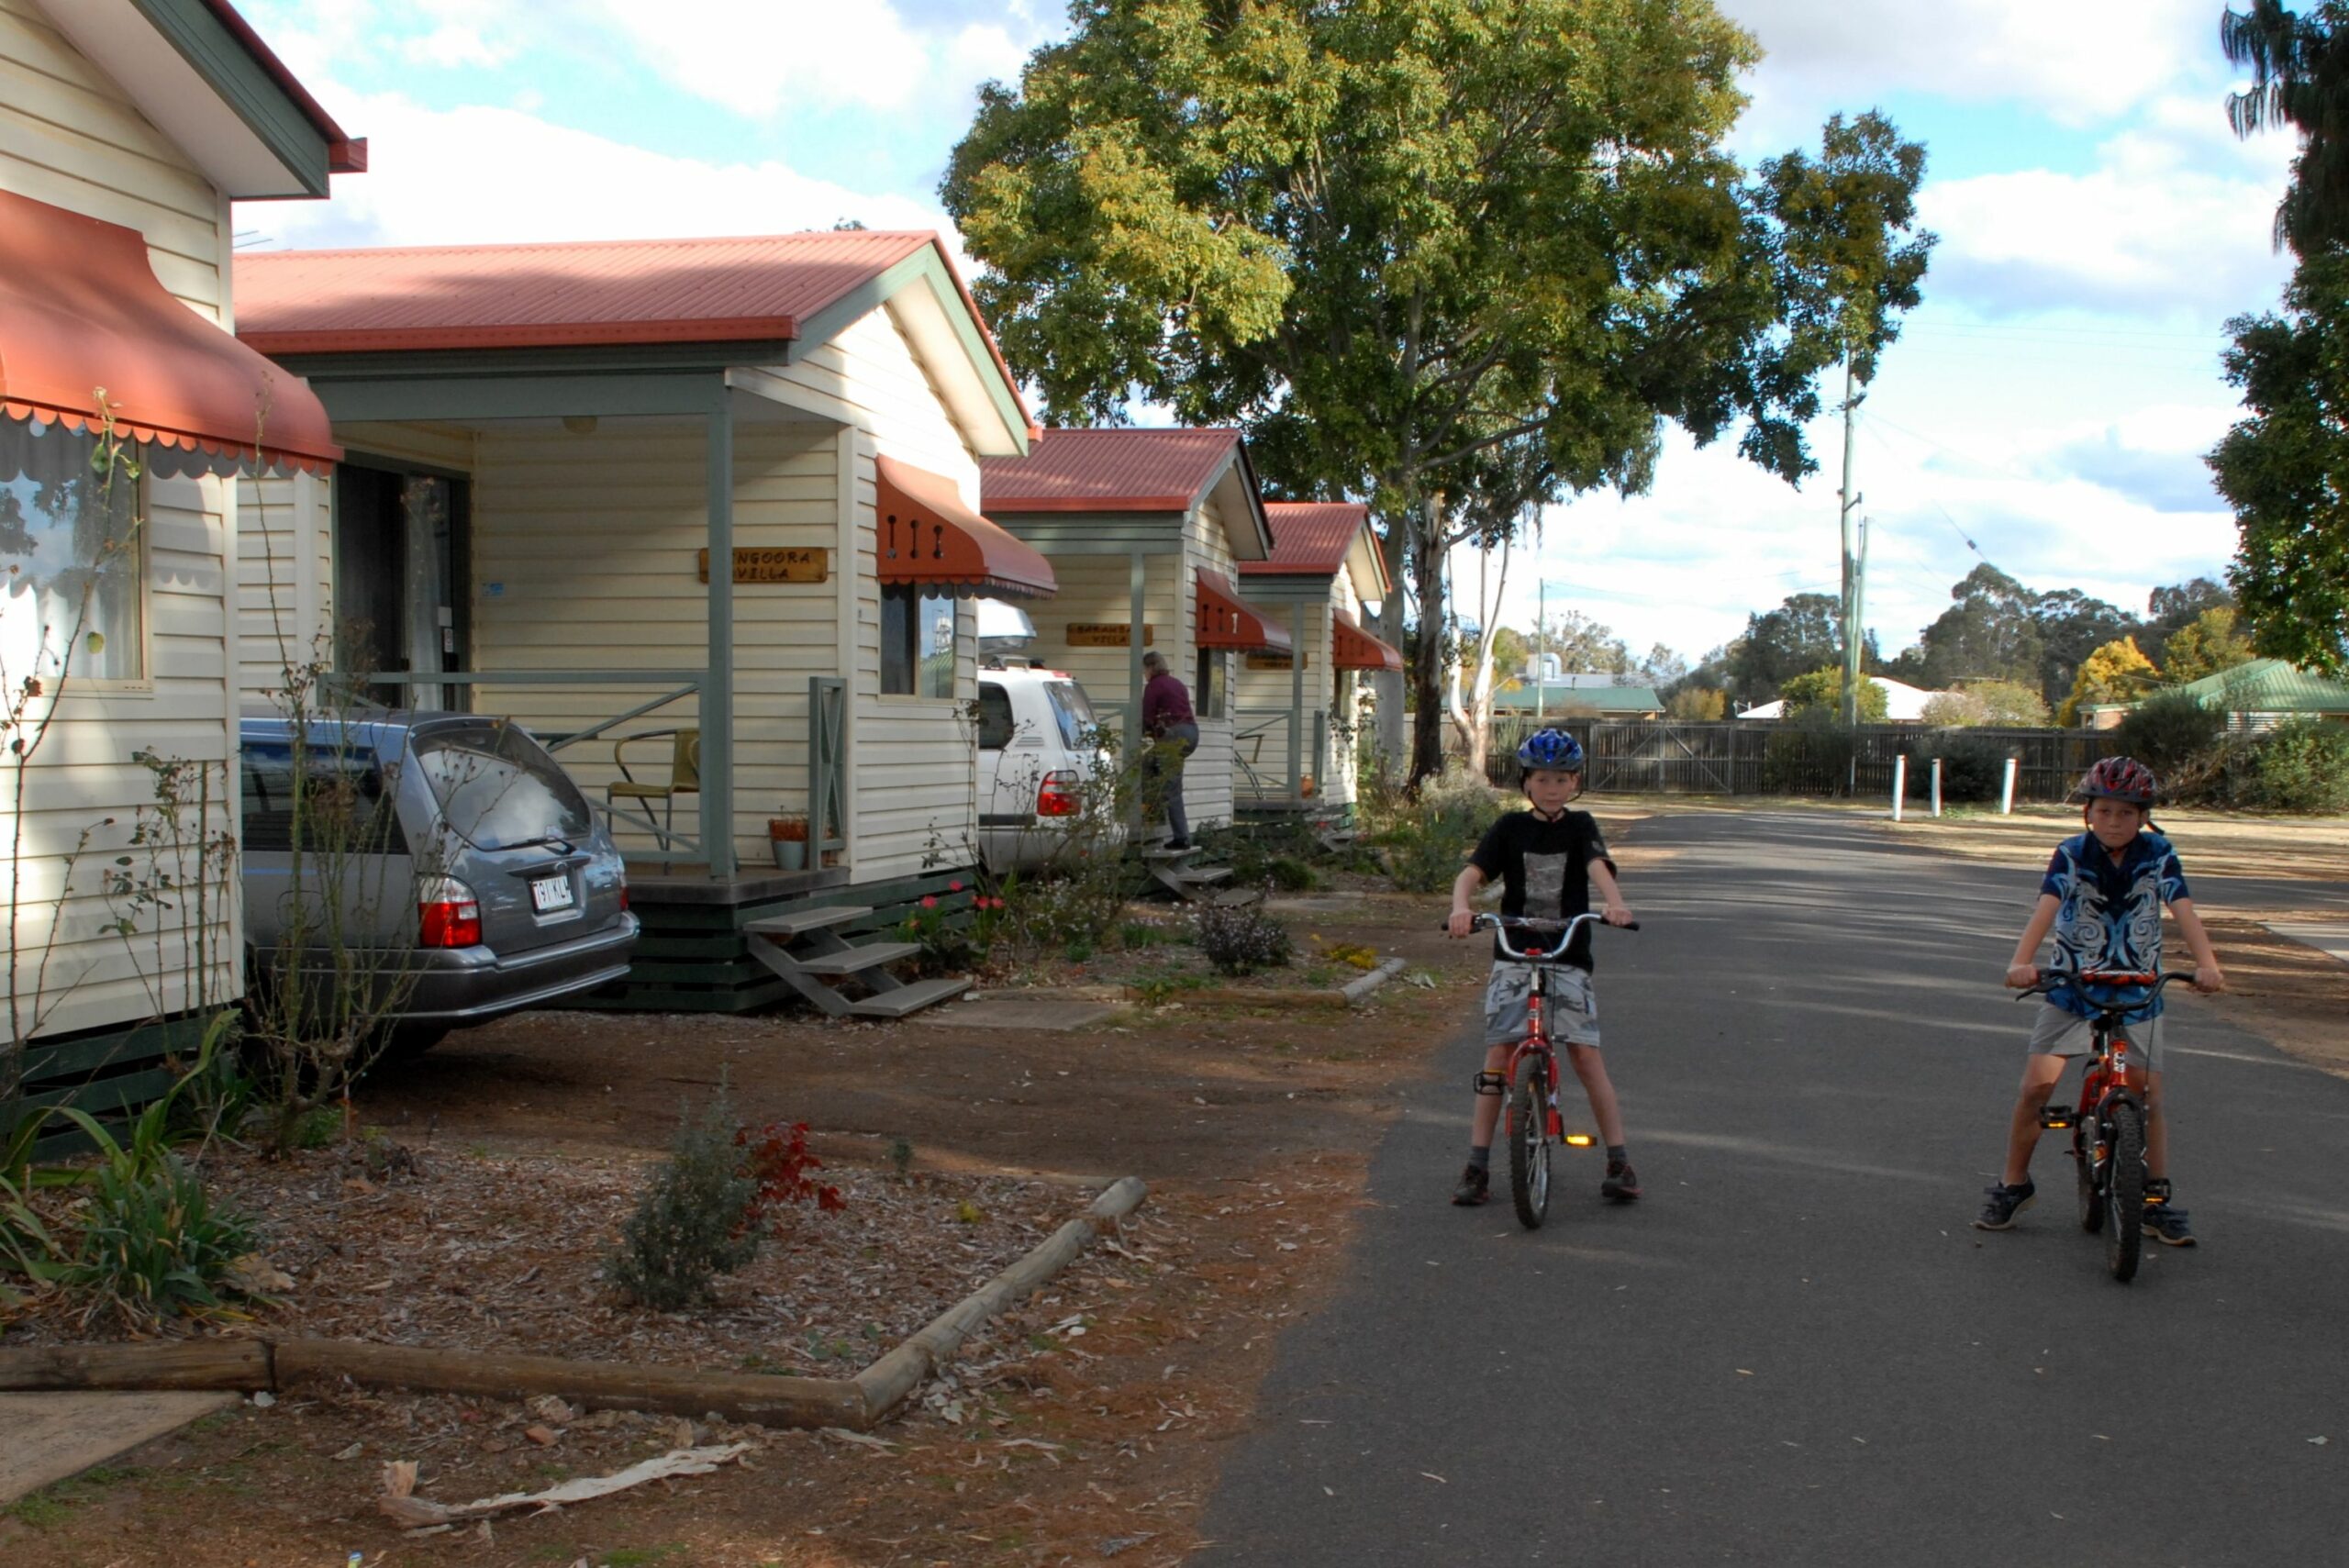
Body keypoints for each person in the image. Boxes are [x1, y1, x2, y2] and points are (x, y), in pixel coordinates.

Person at [1973, 755, 2224, 1244]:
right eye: (2105, 811)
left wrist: (2208, 964)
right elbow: (2046, 907)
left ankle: (2154, 1200)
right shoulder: (2071, 853)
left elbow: (2183, 907)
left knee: (2149, 1096)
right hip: (2073, 982)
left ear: (2143, 816)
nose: (2114, 822)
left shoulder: (2159, 853)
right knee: (2036, 1090)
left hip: (2137, 985)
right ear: (2088, 812)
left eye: (2127, 813)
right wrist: (2021, 961)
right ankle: (2013, 1183)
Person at [1444, 728, 1636, 1207]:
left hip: (1567, 954)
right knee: (1498, 1056)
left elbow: (1598, 867)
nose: (1552, 788)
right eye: (1542, 779)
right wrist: (1460, 907)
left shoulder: (1582, 825)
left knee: (1586, 1056)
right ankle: (1477, 1165)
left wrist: (1615, 905)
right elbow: (1473, 872)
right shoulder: (1509, 827)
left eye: (1562, 779)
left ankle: (1619, 1161)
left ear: (1575, 783)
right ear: (1526, 782)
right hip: (1514, 951)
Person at [1140, 650, 1199, 849]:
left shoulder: (1154, 686)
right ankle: (1156, 808)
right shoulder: (1176, 683)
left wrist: (1142, 732)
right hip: (1191, 733)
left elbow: (1147, 716)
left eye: (1145, 670)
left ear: (1150, 668)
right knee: (1152, 764)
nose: (1144, 674)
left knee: (1167, 784)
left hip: (1174, 735)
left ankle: (1179, 835)